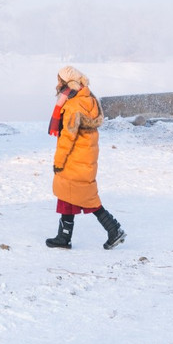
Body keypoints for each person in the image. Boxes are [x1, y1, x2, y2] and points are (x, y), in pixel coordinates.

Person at [46, 65, 126, 250]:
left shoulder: (72, 105)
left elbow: (67, 137)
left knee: (88, 199)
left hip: (74, 158)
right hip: (85, 156)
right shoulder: (89, 98)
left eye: (60, 80)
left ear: (67, 82)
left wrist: (58, 162)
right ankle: (63, 237)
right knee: (68, 195)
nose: (57, 84)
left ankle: (114, 229)